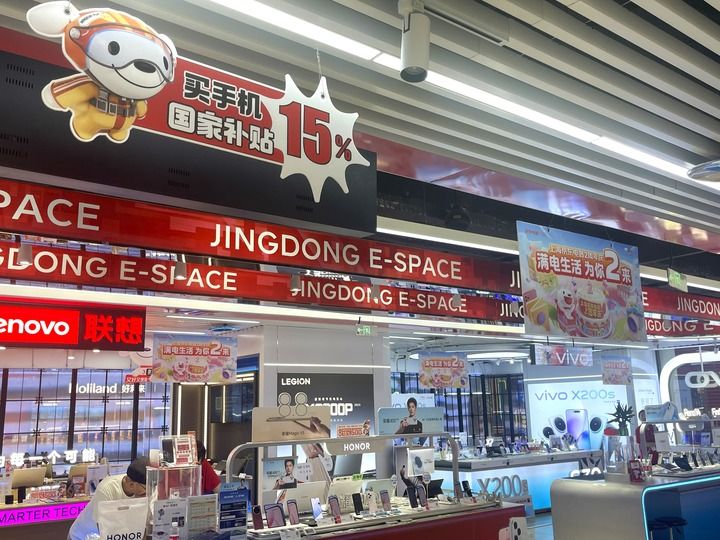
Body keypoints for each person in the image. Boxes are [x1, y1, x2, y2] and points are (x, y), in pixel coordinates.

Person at [68, 456, 148, 540]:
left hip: (118, 535)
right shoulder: (106, 489)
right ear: (131, 484)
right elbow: (103, 529)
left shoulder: (141, 489)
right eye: (145, 488)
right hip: (83, 536)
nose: (148, 492)